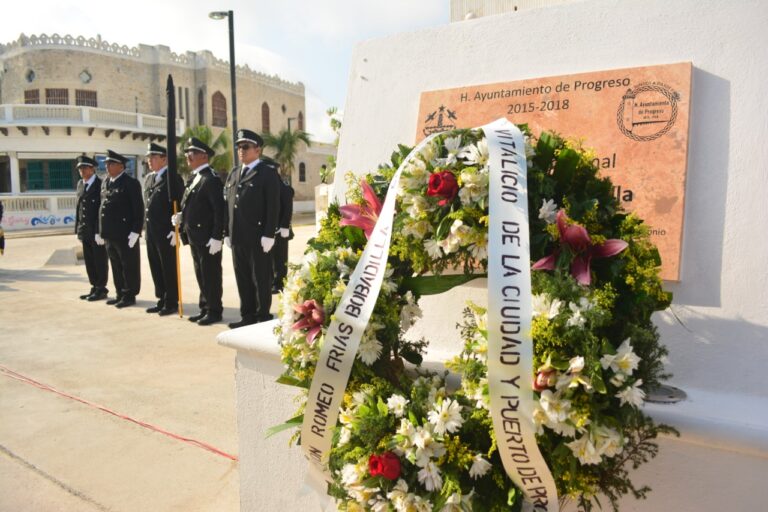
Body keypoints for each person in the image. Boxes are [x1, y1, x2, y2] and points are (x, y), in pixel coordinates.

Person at [224, 129, 281, 329]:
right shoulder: (233, 173)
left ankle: (262, 315)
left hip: (258, 237)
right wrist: (227, 232)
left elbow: (273, 205)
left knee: (261, 279)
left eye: (245, 147)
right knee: (243, 278)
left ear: (258, 150)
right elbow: (229, 205)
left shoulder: (267, 173)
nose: (241, 150)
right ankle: (247, 315)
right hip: (238, 236)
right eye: (239, 147)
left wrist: (269, 233)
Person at [172, 137, 226, 326]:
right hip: (195, 236)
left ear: (204, 156)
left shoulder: (210, 179)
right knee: (201, 273)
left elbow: (219, 210)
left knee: (210, 275)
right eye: (187, 153)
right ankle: (205, 307)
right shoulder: (195, 178)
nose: (188, 156)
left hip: (207, 237)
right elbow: (193, 205)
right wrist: (181, 217)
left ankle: (214, 310)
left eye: (192, 153)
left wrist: (216, 236)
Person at [98, 150, 143, 308]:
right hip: (109, 233)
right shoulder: (105, 182)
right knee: (115, 265)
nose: (107, 167)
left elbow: (138, 209)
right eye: (106, 164)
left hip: (125, 233)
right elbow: (102, 207)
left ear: (121, 166)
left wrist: (136, 231)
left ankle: (129, 295)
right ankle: (119, 293)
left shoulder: (130, 183)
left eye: (111, 164)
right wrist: (100, 230)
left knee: (128, 265)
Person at [143, 143, 184, 316]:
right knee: (155, 267)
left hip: (166, 233)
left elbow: (181, 205)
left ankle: (171, 301)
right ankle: (161, 298)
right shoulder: (149, 179)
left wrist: (176, 230)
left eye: (153, 157)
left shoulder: (173, 178)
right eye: (148, 157)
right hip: (151, 232)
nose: (149, 160)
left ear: (164, 159)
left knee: (168, 268)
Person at [74, 155, 109, 301]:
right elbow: (79, 208)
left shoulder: (100, 185)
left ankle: (101, 288)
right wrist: (78, 229)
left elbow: (101, 210)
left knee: (100, 260)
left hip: (96, 232)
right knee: (89, 261)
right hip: (85, 231)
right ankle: (94, 286)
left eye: (85, 168)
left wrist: (99, 231)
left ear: (92, 169)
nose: (82, 171)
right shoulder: (80, 184)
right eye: (80, 168)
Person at [272, 175, 294, 294]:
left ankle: (279, 283)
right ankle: (272, 281)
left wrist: (285, 226)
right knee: (270, 258)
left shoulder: (284, 188)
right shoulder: (270, 187)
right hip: (269, 229)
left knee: (280, 257)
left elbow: (288, 209)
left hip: (281, 229)